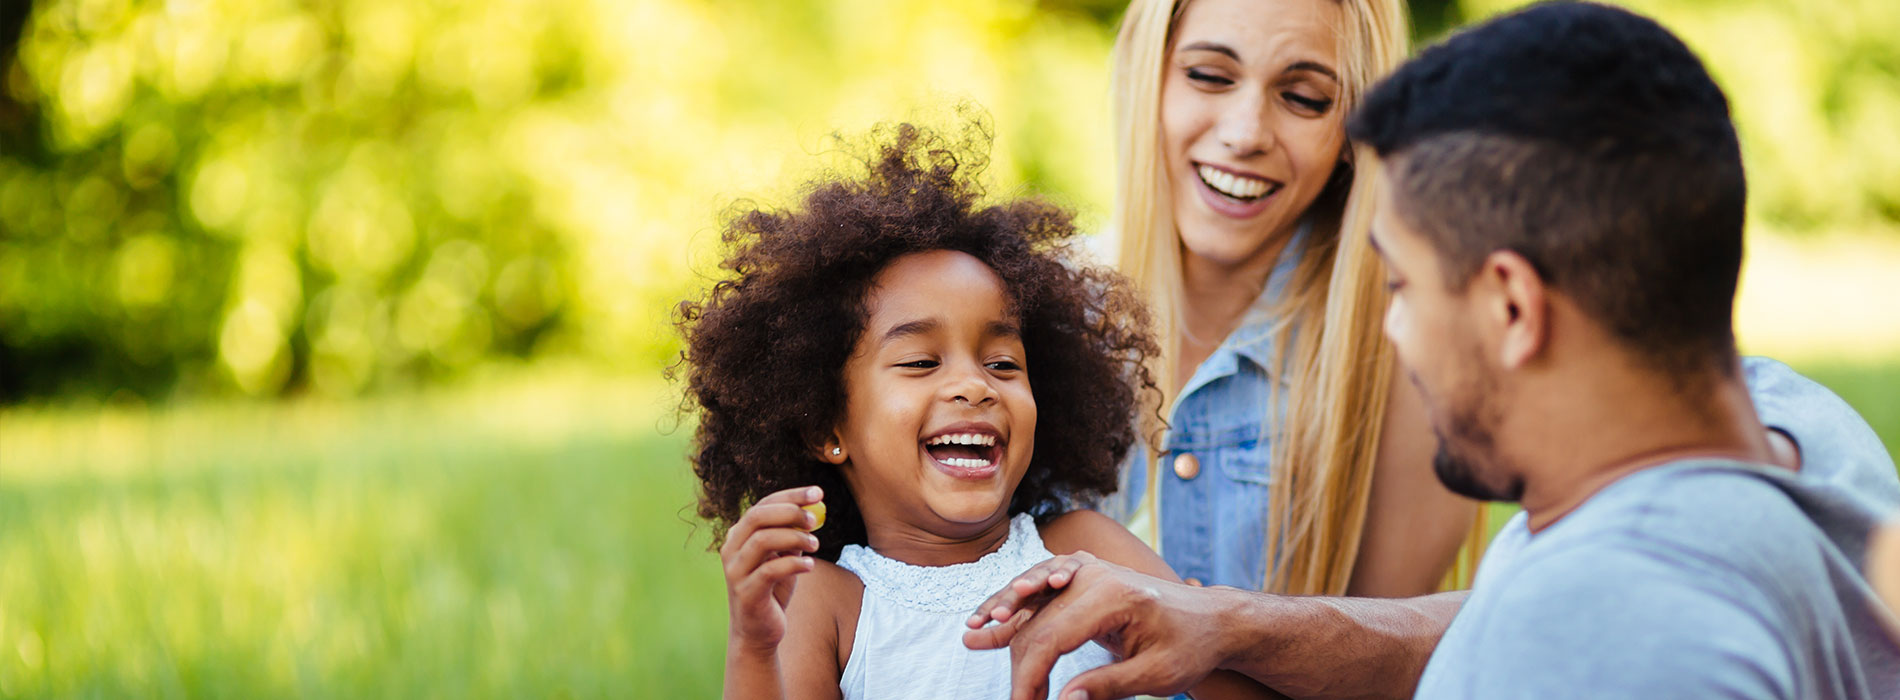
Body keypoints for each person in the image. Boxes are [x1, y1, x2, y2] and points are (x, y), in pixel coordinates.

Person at [964, 3, 1900, 698]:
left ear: (1512, 307)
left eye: (1403, 287)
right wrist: (1226, 619)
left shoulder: (1605, 623)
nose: (1392, 331)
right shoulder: (1813, 435)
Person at [676, 124, 1272, 699]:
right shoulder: (825, 603)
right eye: (919, 362)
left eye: (1003, 364)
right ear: (824, 426)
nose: (974, 385)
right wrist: (753, 643)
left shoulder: (1085, 551)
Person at [1105, 0, 1479, 600]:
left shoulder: (1410, 365)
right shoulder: (1028, 313)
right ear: (1149, 72)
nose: (1245, 133)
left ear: (1356, 129)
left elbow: (1379, 672)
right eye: (1209, 76)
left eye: (1304, 98)